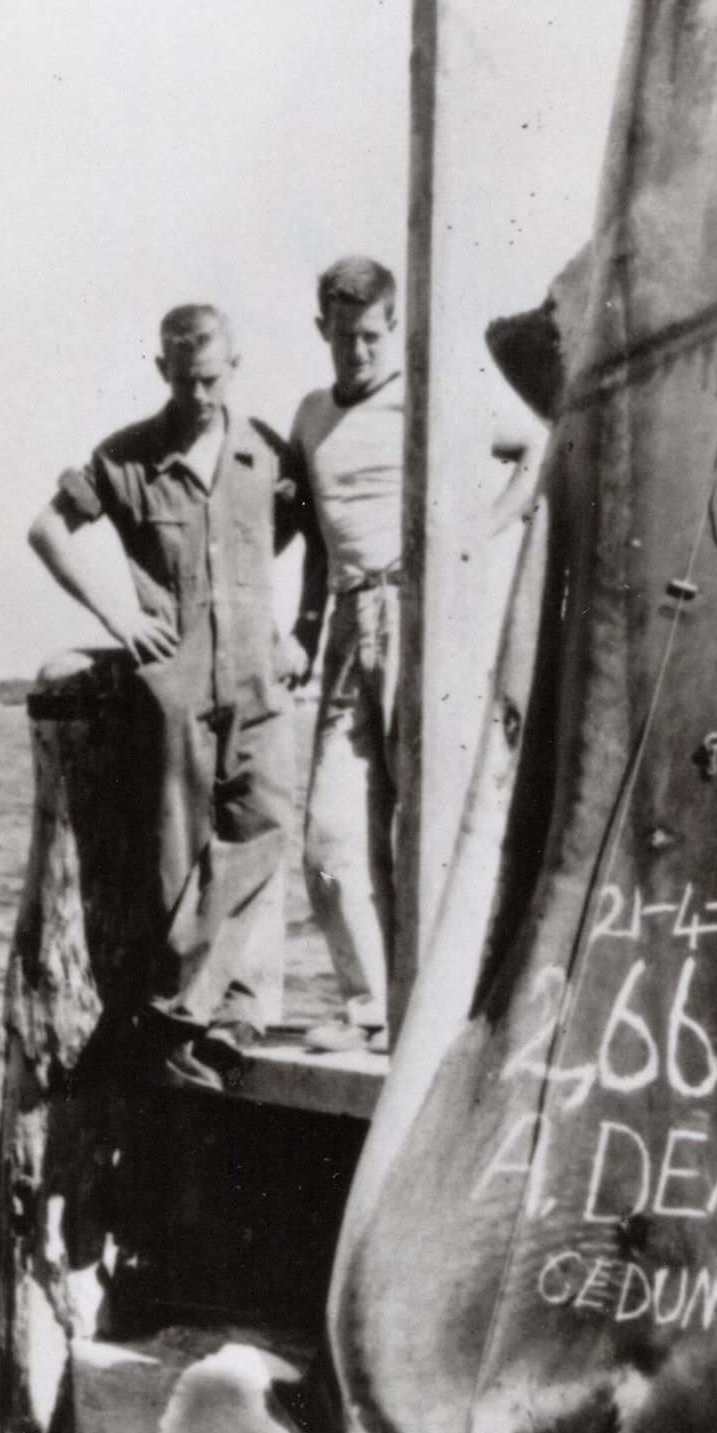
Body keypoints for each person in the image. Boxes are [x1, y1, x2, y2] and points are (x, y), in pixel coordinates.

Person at [29, 304, 303, 1080]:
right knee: (180, 858)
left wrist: (299, 625)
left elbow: (304, 532)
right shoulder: (125, 459)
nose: (200, 397)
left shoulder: (266, 453)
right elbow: (46, 531)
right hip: (175, 682)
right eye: (184, 382)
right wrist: (117, 613)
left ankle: (185, 1012)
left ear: (235, 365)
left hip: (256, 674)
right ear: (161, 371)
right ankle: (210, 1024)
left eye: (212, 380)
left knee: (266, 823)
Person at [283, 256, 405, 1052]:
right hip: (345, 628)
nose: (355, 352)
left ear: (391, 327)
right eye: (342, 336)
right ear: (322, 330)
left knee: (423, 823)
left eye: (369, 336)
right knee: (329, 837)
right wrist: (302, 628)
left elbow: (534, 449)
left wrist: (487, 531)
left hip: (420, 617)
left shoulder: (422, 399)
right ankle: (372, 1004)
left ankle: (432, 1009)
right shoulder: (310, 416)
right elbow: (317, 547)